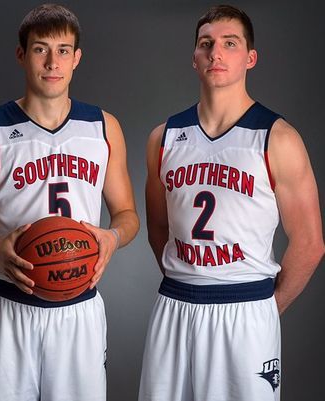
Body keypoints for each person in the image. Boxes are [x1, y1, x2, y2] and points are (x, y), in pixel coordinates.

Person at [0, 3, 139, 400]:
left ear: (77, 58)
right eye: (40, 49)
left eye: (63, 50)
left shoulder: (103, 126)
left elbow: (128, 215)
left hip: (78, 310)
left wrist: (112, 239)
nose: (52, 62)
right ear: (21, 54)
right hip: (8, 306)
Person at [139, 4, 324, 401]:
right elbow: (158, 229)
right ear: (194, 58)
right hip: (175, 305)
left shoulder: (278, 137)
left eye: (229, 44)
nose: (216, 54)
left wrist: (264, 310)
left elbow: (310, 243)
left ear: (250, 58)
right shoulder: (164, 137)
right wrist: (189, 276)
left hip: (246, 307)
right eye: (206, 44)